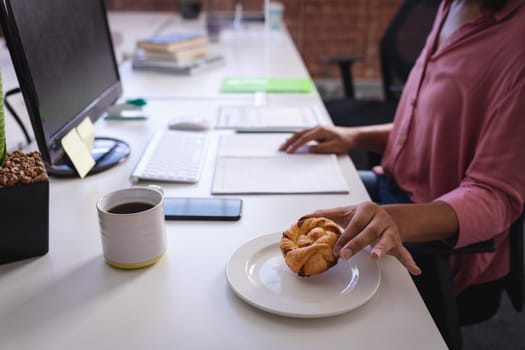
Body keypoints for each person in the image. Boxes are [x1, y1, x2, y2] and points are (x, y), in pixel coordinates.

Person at [279, 0, 525, 298]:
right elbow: (434, 130)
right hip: (390, 190)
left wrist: (396, 219)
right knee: (291, 196)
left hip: (436, 242)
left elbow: (496, 196)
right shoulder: (452, 6)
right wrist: (354, 136)